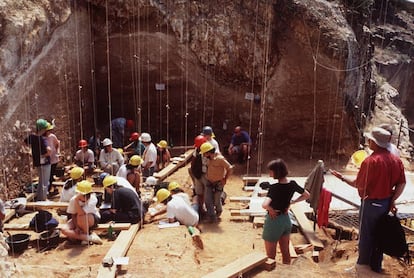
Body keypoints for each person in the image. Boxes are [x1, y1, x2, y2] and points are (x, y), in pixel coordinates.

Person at [330, 126, 406, 273]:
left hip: (371, 204)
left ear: (375, 142)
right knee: (380, 234)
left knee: (366, 235)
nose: (368, 142)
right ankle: (376, 266)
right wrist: (392, 200)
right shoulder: (396, 161)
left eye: (370, 140)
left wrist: (342, 178)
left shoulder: (370, 161)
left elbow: (357, 183)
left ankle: (362, 266)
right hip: (385, 203)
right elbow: (402, 183)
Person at [261, 158, 310, 263]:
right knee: (285, 251)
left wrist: (271, 209)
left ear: (276, 172)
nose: (269, 173)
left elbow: (265, 205)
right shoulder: (292, 184)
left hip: (274, 221)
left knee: (270, 256)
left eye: (271, 171)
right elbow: (306, 195)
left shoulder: (274, 188)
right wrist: (292, 202)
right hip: (286, 220)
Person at [60, 180, 102, 245]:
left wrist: (76, 200)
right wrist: (77, 227)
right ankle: (89, 238)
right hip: (78, 220)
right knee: (64, 230)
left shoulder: (93, 199)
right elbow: (73, 215)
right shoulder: (73, 200)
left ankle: (85, 234)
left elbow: (81, 213)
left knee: (81, 216)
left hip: (92, 219)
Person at [199, 142, 232, 222]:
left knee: (217, 200)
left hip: (218, 183)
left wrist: (225, 179)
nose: (203, 155)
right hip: (209, 182)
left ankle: (218, 212)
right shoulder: (208, 159)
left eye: (204, 153)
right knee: (208, 200)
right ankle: (212, 217)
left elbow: (230, 168)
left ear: (208, 153)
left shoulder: (220, 159)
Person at [24, 119, 51, 201]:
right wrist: (45, 155)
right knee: (45, 181)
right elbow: (49, 150)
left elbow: (25, 142)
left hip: (37, 162)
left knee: (41, 180)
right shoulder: (43, 139)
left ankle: (39, 197)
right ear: (43, 129)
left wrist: (29, 152)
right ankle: (42, 199)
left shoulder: (31, 137)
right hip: (45, 162)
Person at [188, 135, 208, 216]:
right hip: (198, 174)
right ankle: (201, 209)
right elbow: (193, 163)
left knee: (207, 193)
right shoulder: (196, 151)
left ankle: (207, 210)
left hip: (206, 175)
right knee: (199, 192)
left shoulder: (208, 150)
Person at [44, 121, 60, 197]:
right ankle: (52, 189)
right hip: (47, 160)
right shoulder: (42, 138)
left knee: (51, 175)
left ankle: (51, 189)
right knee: (49, 175)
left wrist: (57, 152)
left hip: (53, 159)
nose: (49, 132)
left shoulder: (52, 136)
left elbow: (57, 144)